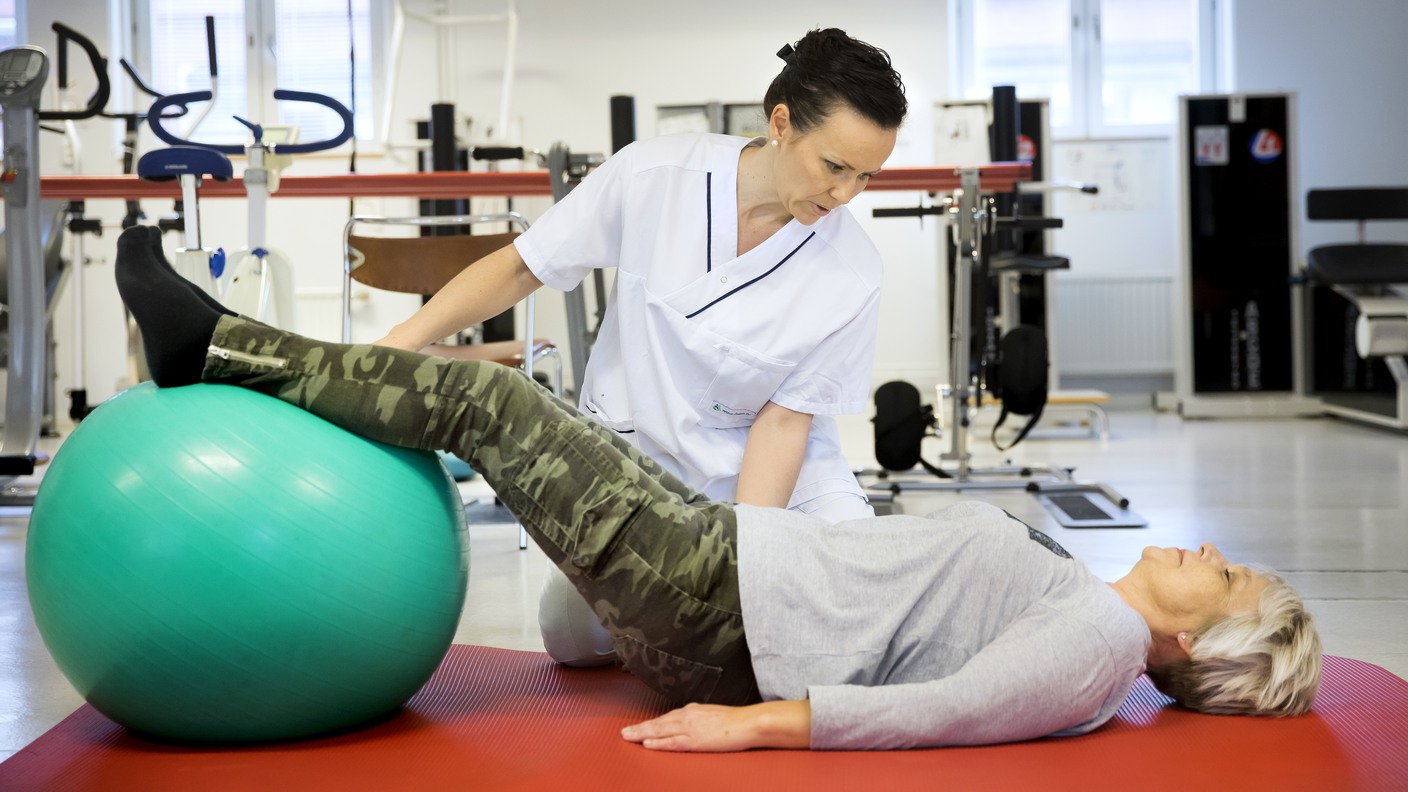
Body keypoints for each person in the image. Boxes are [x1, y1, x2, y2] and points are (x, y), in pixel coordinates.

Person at [114, 225, 1324, 752]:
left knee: (488, 404)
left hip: (718, 609)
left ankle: (212, 347)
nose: (1206, 548)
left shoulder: (1096, 649)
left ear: (1194, 637)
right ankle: (225, 344)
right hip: (725, 564)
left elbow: (943, 714)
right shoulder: (1093, 624)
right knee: (536, 413)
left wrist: (752, 727)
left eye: (1222, 573)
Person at [374, 29, 908, 666]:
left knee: (867, 606)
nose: (846, 195)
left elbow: (784, 422)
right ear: (783, 123)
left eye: (867, 176)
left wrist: (737, 567)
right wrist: (392, 347)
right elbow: (526, 266)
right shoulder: (657, 175)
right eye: (835, 167)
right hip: (640, 463)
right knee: (572, 639)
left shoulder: (851, 271)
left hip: (779, 480)